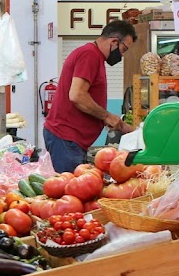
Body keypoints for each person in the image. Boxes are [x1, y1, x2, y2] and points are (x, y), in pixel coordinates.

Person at [43, 20, 137, 173]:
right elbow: (77, 95)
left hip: (71, 140)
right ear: (114, 41)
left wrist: (118, 124)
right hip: (66, 139)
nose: (121, 55)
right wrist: (106, 116)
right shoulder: (89, 55)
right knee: (70, 192)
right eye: (123, 49)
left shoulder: (94, 57)